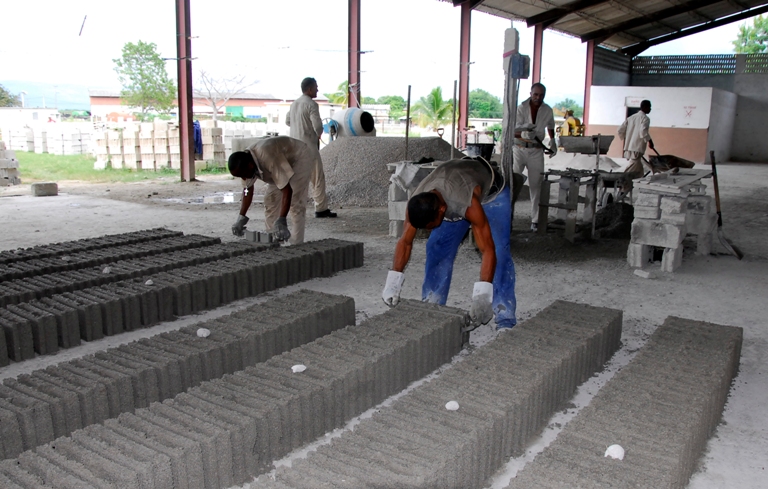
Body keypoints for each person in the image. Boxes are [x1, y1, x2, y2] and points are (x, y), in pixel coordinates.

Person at [381, 159, 516, 329]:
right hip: (454, 188)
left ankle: (504, 317)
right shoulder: (418, 201)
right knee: (437, 247)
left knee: (499, 252)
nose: (428, 230)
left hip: (492, 193)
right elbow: (405, 242)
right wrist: (392, 284)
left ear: (441, 211)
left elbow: (488, 250)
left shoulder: (466, 203)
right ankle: (433, 307)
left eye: (430, 226)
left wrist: (482, 296)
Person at [228, 136, 314, 245]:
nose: (244, 179)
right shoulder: (246, 164)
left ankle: (296, 244)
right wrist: (241, 217)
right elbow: (247, 190)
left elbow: (287, 190)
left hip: (299, 157)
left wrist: (282, 219)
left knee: (296, 202)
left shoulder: (267, 157)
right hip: (279, 163)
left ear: (250, 166)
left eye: (243, 175)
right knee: (270, 201)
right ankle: (273, 240)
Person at [285, 77, 337, 218]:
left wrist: (299, 127)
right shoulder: (312, 105)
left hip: (293, 147)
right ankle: (321, 208)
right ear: (309, 89)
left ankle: (294, 207)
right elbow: (318, 127)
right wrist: (314, 133)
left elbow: (287, 121)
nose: (317, 90)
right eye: (315, 87)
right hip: (309, 147)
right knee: (317, 178)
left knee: (296, 179)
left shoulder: (294, 104)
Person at [513, 82, 557, 231]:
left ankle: (535, 220)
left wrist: (552, 141)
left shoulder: (547, 110)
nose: (538, 97)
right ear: (531, 94)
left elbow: (551, 125)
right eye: (535, 94)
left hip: (536, 151)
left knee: (536, 185)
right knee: (512, 182)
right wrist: (523, 134)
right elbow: (512, 129)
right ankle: (508, 217)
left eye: (541, 95)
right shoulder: (521, 108)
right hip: (518, 149)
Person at [617, 100, 654, 196]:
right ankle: (622, 186)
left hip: (629, 147)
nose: (650, 109)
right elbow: (643, 132)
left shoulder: (631, 118)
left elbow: (620, 130)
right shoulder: (645, 118)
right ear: (645, 107)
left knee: (638, 170)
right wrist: (650, 141)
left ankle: (631, 188)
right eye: (649, 107)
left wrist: (627, 138)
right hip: (637, 147)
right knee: (633, 169)